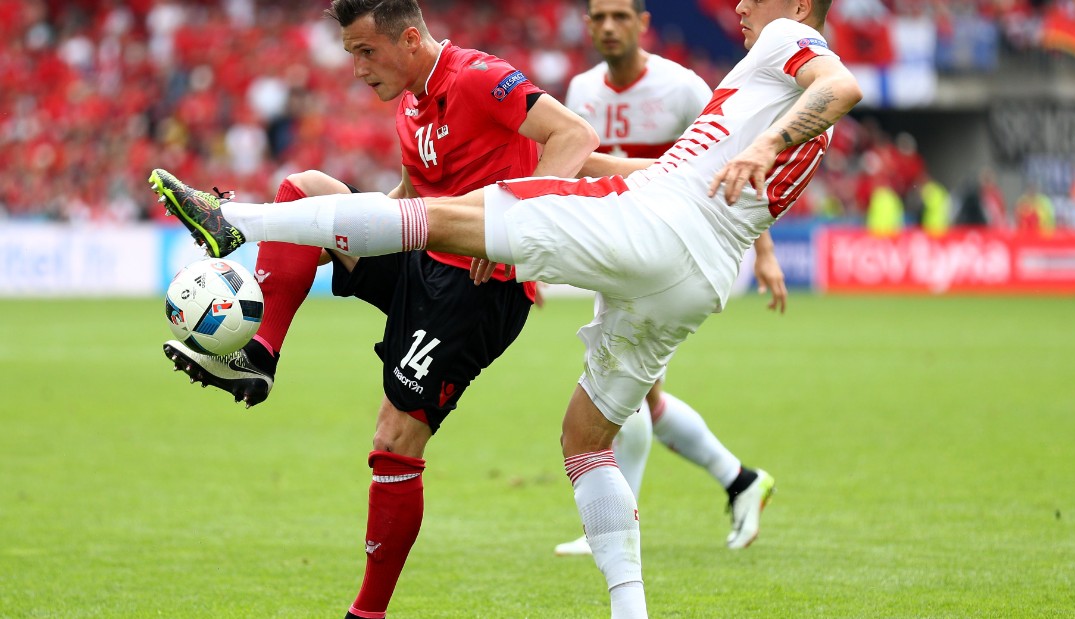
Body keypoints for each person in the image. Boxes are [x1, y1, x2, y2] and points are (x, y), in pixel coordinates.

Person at [151, 0, 861, 615]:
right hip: (696, 269)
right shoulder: (754, 80)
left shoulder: (785, 44)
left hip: (633, 233)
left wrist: (770, 140)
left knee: (445, 225)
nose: (738, 6)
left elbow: (839, 82)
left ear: (798, 4)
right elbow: (673, 164)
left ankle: (235, 220)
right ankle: (630, 608)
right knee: (585, 440)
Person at [159, 1, 598, 618]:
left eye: (366, 51)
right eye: (349, 54)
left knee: (395, 438)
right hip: (423, 258)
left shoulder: (477, 76)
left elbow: (575, 135)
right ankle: (259, 356)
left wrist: (517, 229)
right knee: (304, 191)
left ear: (411, 37)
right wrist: (315, 237)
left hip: (477, 289)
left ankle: (366, 613)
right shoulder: (410, 106)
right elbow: (406, 202)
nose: (357, 68)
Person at [552, 0, 783, 557]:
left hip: (670, 252)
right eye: (599, 17)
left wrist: (766, 254)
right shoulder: (581, 91)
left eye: (620, 16)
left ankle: (610, 525)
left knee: (618, 391)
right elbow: (565, 166)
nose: (609, 27)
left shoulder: (681, 88)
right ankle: (741, 480)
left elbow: (740, 165)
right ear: (587, 26)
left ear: (643, 24)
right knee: (644, 398)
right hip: (612, 249)